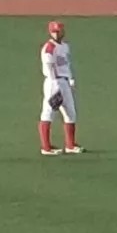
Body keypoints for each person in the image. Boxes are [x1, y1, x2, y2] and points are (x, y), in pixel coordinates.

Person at [38, 21, 82, 156]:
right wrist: (56, 85)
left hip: (64, 81)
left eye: (58, 31)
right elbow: (50, 67)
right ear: (50, 32)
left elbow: (66, 64)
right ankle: (46, 147)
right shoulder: (49, 48)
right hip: (54, 82)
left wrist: (70, 79)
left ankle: (70, 145)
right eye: (54, 32)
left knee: (70, 113)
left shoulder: (65, 46)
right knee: (49, 112)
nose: (56, 34)